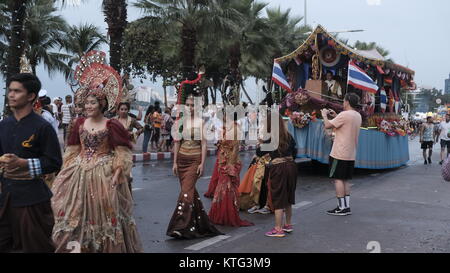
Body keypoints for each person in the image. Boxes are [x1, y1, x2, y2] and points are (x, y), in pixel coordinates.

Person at [51, 75, 142, 253]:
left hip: (103, 173)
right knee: (74, 212)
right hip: (79, 173)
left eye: (92, 103)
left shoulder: (112, 124)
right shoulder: (79, 123)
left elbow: (122, 152)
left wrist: (117, 174)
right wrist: (66, 170)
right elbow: (73, 149)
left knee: (103, 214)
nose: (88, 106)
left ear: (101, 104)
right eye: (86, 103)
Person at [0, 73, 62, 253]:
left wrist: (24, 163)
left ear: (31, 96)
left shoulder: (42, 127)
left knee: (34, 246)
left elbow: (54, 162)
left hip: (32, 200)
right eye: (10, 90)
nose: (11, 95)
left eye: (17, 91)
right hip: (5, 197)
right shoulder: (4, 125)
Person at [167, 94, 222, 239]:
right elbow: (177, 143)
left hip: (194, 161)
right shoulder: (180, 122)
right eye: (188, 105)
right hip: (182, 161)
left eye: (193, 105)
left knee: (185, 193)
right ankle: (201, 224)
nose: (190, 108)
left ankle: (180, 226)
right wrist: (174, 162)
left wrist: (202, 164)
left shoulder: (201, 123)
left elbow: (204, 144)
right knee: (190, 193)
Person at [321, 93, 362, 216]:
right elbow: (345, 124)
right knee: (345, 180)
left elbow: (327, 125)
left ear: (347, 101)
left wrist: (324, 115)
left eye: (344, 100)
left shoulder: (345, 115)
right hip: (350, 152)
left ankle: (341, 207)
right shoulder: (357, 115)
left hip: (339, 152)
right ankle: (346, 206)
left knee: (338, 179)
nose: (343, 102)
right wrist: (336, 116)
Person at [208, 118, 253, 227]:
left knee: (226, 188)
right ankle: (219, 213)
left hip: (230, 163)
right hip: (223, 161)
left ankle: (227, 215)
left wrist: (230, 166)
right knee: (221, 188)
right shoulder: (226, 127)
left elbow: (235, 149)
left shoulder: (236, 128)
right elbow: (222, 144)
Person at [262, 113, 298, 237]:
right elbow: (295, 152)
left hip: (279, 168)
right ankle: (288, 224)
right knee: (288, 196)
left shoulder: (271, 138)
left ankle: (278, 229)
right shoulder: (289, 136)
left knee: (278, 198)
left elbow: (259, 151)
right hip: (291, 166)